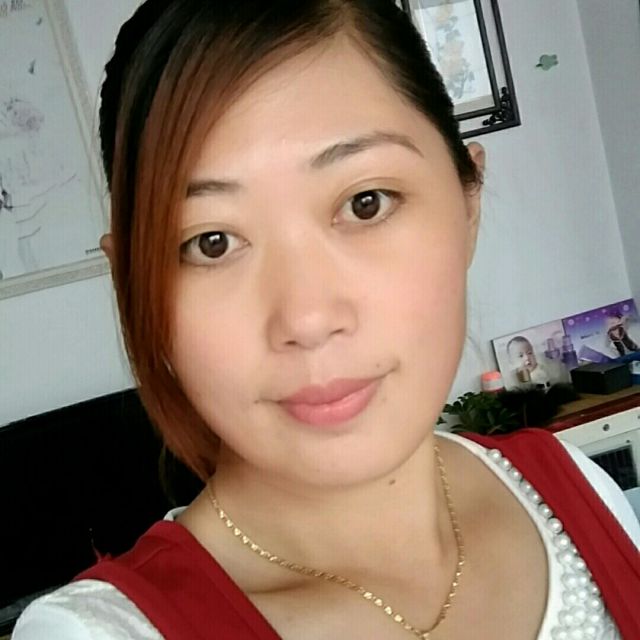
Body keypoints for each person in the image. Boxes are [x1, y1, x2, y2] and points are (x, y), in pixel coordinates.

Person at [13, 1, 640, 639]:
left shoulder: (579, 491)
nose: (308, 319)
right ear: (133, 284)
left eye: (366, 203)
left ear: (467, 201)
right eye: (211, 243)